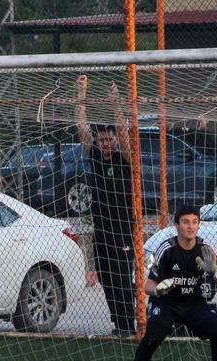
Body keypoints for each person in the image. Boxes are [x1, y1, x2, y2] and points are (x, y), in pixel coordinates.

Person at [123, 205, 217, 361]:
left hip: (194, 303)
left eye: (194, 222)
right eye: (185, 222)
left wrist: (214, 272)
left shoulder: (206, 249)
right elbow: (148, 285)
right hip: (166, 303)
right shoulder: (166, 249)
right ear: (176, 225)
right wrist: (158, 290)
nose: (190, 226)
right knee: (153, 336)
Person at [76, 74, 137, 336]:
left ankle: (129, 323)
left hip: (122, 229)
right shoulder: (96, 157)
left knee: (122, 276)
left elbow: (122, 130)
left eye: (109, 140)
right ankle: (118, 323)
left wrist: (115, 102)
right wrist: (81, 94)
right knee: (104, 274)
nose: (105, 144)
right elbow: (81, 127)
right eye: (102, 141)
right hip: (101, 228)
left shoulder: (125, 158)